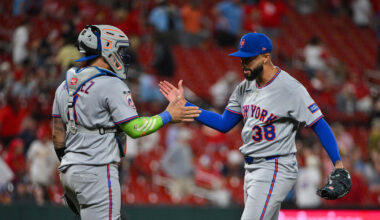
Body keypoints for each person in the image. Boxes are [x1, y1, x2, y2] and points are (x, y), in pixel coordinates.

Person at [159, 33, 349, 220]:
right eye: (242, 59)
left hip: (275, 166)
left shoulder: (290, 88)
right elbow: (224, 123)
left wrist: (338, 164)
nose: (244, 64)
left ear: (266, 57)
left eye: (249, 59)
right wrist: (186, 106)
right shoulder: (244, 87)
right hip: (252, 168)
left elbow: (319, 124)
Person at [52, 25, 200, 220]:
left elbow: (57, 135)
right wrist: (168, 115)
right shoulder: (111, 84)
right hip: (97, 170)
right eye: (119, 50)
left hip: (69, 172)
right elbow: (135, 129)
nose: (122, 55)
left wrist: (71, 167)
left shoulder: (64, 86)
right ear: (107, 50)